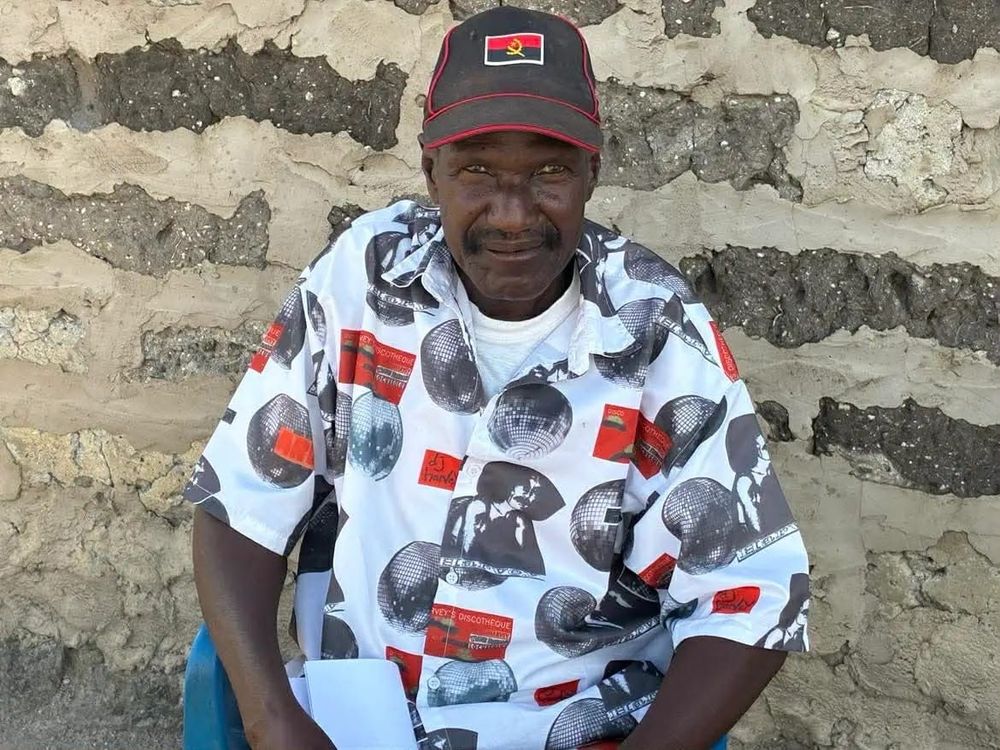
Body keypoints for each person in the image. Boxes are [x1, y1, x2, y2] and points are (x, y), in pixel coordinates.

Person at [185, 7, 811, 749]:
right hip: (358, 718)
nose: (512, 215)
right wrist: (272, 720)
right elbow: (242, 501)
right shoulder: (362, 278)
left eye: (549, 172)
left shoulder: (655, 330)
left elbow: (751, 594)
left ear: (591, 173)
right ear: (432, 172)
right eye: (477, 170)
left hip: (571, 728)